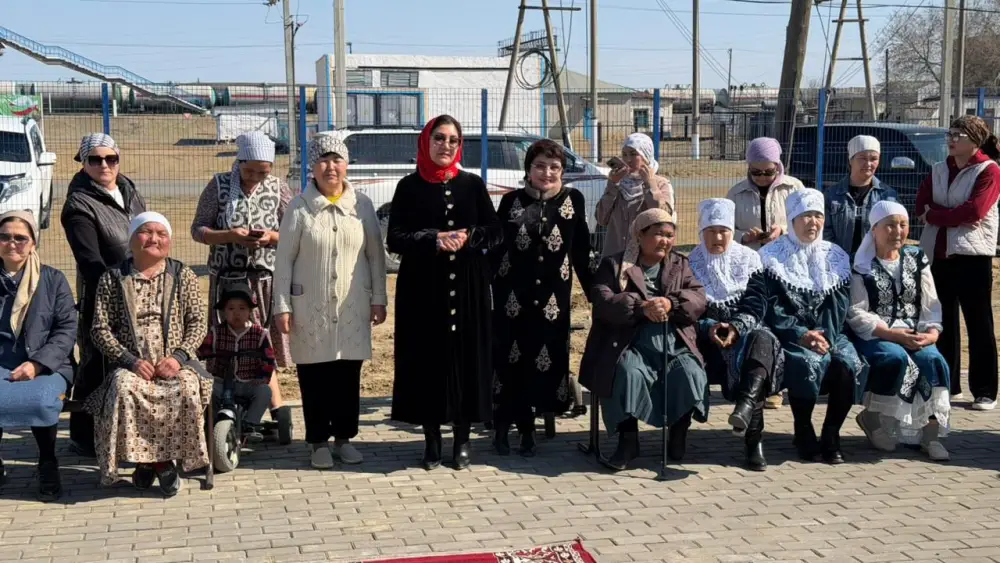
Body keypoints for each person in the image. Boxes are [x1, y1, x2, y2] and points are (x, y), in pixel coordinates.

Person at [387, 115, 503, 471]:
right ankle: (432, 441)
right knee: (428, 361)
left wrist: (470, 237)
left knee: (465, 360)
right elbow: (395, 239)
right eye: (439, 138)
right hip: (423, 289)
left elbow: (495, 232)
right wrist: (432, 238)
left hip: (467, 286)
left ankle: (463, 441)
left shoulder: (472, 184)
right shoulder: (408, 186)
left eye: (453, 140)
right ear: (426, 141)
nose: (446, 146)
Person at [274, 134, 388, 469]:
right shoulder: (299, 207)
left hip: (352, 307)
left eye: (337, 159)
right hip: (311, 307)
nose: (331, 167)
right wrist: (282, 304)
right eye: (323, 160)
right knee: (315, 375)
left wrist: (379, 299)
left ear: (346, 164)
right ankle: (318, 441)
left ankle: (344, 438)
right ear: (313, 166)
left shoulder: (362, 205)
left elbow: (375, 257)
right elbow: (284, 260)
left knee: (347, 375)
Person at [83, 212, 212, 497]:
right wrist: (130, 361)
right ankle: (160, 464)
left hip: (175, 363)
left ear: (170, 241)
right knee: (122, 388)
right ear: (131, 239)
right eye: (146, 232)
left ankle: (149, 464)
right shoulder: (113, 278)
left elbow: (198, 322)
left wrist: (178, 357)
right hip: (132, 365)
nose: (154, 239)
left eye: (161, 234)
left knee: (187, 388)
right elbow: (100, 329)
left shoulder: (183, 275)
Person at [580, 207, 709, 471]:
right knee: (627, 372)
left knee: (690, 373)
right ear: (640, 235)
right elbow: (602, 300)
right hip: (630, 343)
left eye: (670, 235)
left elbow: (698, 298)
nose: (666, 241)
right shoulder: (614, 265)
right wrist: (641, 308)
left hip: (674, 342)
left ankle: (678, 432)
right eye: (659, 234)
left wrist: (670, 303)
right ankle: (628, 441)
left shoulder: (680, 264)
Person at [490, 139, 597, 457]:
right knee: (511, 363)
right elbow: (497, 249)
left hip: (552, 302)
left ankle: (529, 429)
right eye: (539, 166)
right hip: (513, 299)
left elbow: (581, 252)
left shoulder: (572, 201)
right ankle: (503, 429)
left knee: (544, 364)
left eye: (554, 167)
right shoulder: (511, 202)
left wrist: (596, 294)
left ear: (563, 171)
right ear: (528, 169)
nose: (547, 172)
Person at [191, 131, 294, 435]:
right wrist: (230, 236)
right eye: (249, 171)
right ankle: (235, 402)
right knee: (231, 340)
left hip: (263, 281)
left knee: (260, 343)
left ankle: (271, 405)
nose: (255, 178)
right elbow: (199, 230)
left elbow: (293, 232)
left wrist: (270, 238)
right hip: (228, 282)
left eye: (262, 172)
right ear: (239, 162)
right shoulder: (220, 185)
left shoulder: (278, 188)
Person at [758, 188, 868, 464]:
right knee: (806, 363)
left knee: (847, 366)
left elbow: (839, 304)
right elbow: (772, 306)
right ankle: (803, 429)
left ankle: (832, 434)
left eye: (818, 216)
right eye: (806, 216)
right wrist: (801, 334)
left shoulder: (835, 256)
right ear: (793, 219)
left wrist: (825, 338)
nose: (813, 223)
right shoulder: (771, 256)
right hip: (790, 334)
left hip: (829, 332)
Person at [60, 133, 146, 456]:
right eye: (95, 159)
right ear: (83, 163)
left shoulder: (129, 188)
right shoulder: (78, 204)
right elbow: (90, 260)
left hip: (139, 289)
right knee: (96, 364)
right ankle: (83, 434)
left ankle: (125, 426)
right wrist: (115, 292)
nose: (104, 165)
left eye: (111, 158)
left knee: (132, 360)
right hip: (102, 292)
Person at [848, 201, 950, 461]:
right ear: (874, 230)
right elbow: (857, 312)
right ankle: (872, 417)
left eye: (902, 225)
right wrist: (891, 334)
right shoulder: (862, 266)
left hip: (916, 331)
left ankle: (930, 435)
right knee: (894, 357)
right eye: (890, 225)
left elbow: (931, 303)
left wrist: (932, 333)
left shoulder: (917, 258)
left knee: (932, 360)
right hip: (878, 333)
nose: (897, 231)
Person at [689, 199, 784, 471]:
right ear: (701, 231)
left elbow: (757, 303)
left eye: (724, 230)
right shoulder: (690, 263)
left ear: (732, 232)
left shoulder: (749, 259)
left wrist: (735, 328)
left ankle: (751, 431)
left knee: (763, 341)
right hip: (705, 339)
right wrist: (711, 327)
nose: (718, 237)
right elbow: (689, 307)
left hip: (744, 335)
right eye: (711, 230)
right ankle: (679, 431)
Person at [916, 115, 1000, 409]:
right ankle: (948, 385)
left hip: (972, 256)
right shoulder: (939, 169)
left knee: (978, 324)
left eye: (959, 135)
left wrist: (938, 215)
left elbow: (974, 211)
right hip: (938, 255)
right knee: (943, 321)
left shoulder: (989, 171)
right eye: (950, 134)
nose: (951, 140)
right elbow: (921, 203)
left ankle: (985, 390)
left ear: (975, 141)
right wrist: (947, 215)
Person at [0, 212, 77, 501]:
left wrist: (37, 364)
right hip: (2, 361)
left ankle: (47, 462)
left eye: (20, 238)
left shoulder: (52, 279)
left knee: (40, 399)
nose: (12, 243)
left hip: (48, 364)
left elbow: (66, 329)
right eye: (5, 236)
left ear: (33, 243)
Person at [727, 137, 803, 410]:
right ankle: (764, 381)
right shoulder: (736, 193)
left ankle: (782, 382)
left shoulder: (794, 188)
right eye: (755, 172)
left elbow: (807, 224)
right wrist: (742, 237)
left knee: (784, 317)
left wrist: (782, 232)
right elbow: (724, 229)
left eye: (768, 171)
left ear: (779, 166)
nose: (761, 177)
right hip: (750, 268)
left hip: (785, 266)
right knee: (760, 320)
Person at [198, 282, 276, 434]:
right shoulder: (216, 332)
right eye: (231, 309)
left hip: (248, 382)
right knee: (207, 390)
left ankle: (250, 423)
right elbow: (201, 352)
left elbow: (269, 360)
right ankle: (211, 423)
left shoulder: (259, 333)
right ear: (224, 312)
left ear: (249, 311)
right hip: (220, 381)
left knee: (265, 391)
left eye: (242, 308)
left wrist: (262, 377)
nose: (236, 313)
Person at [595, 133, 674, 257]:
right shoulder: (618, 183)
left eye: (633, 154)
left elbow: (662, 219)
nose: (628, 160)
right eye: (624, 155)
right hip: (614, 259)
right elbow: (601, 218)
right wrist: (612, 185)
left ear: (646, 156)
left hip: (644, 260)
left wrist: (650, 185)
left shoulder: (661, 184)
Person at [823, 135, 899, 258]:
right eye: (862, 158)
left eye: (874, 158)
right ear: (850, 160)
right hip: (837, 263)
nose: (868, 164)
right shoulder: (832, 195)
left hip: (874, 264)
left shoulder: (888, 196)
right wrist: (839, 259)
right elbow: (825, 232)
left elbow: (894, 232)